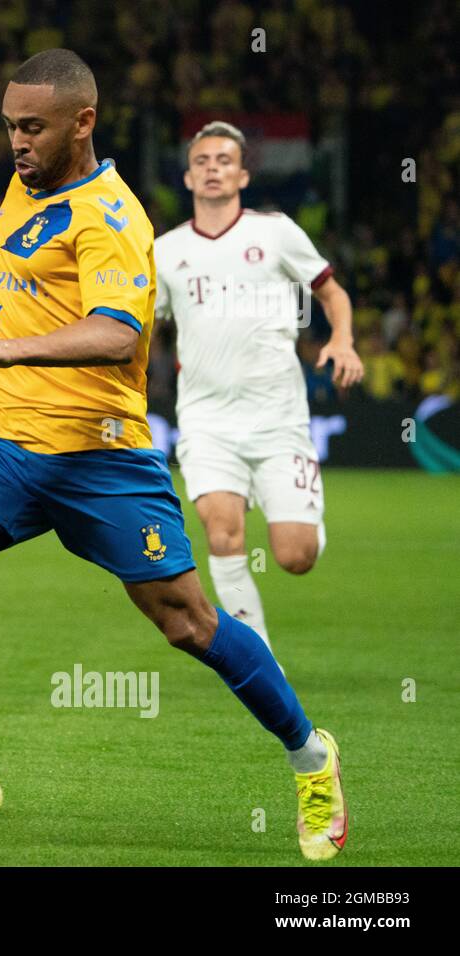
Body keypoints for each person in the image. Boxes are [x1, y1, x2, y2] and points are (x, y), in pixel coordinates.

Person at [0, 50, 348, 862]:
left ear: (82, 122)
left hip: (103, 457)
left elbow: (119, 330)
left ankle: (312, 757)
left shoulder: (113, 216)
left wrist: (14, 352)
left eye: (33, 128)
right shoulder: (27, 183)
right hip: (11, 445)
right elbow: (22, 276)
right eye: (10, 126)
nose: (16, 142)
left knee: (191, 625)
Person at [154, 121, 363, 656]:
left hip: (277, 419)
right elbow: (135, 326)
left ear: (243, 173)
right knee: (222, 533)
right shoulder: (164, 251)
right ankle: (256, 656)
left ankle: (304, 518)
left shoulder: (276, 233)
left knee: (295, 556)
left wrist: (342, 340)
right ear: (188, 176)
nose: (213, 168)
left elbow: (331, 291)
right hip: (206, 420)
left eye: (224, 160)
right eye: (202, 161)